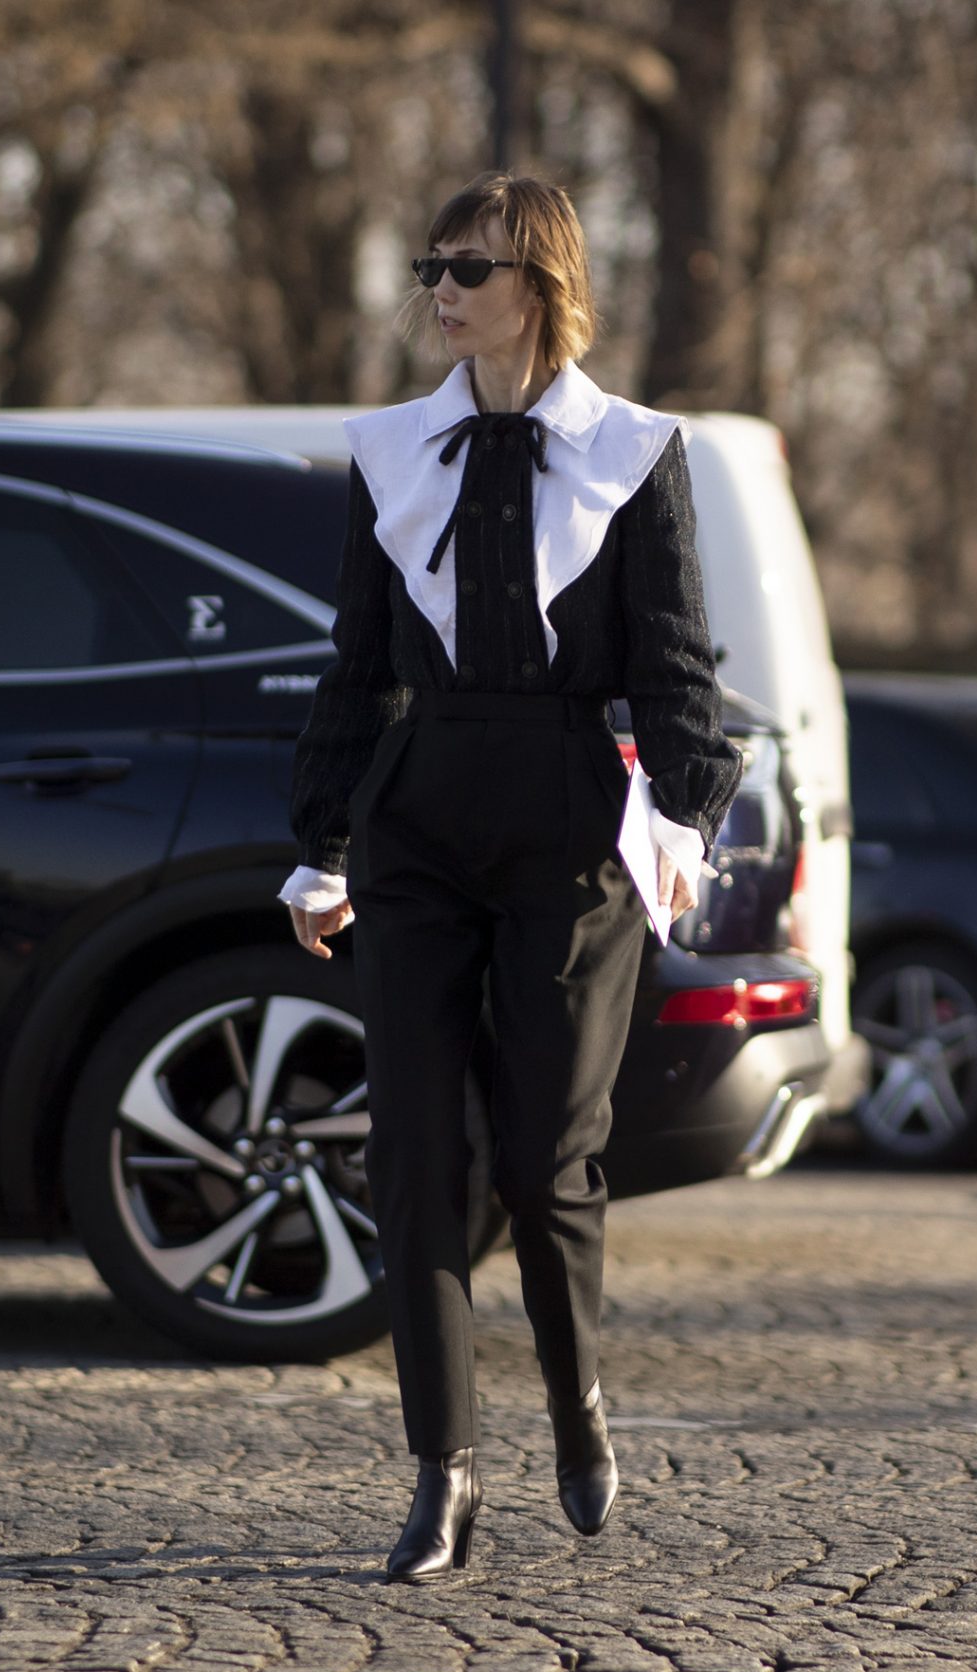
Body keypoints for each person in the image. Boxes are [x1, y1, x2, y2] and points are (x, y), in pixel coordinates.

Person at [276, 170, 742, 1582]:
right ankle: (444, 1476)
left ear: (539, 283)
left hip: (564, 828)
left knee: (546, 1165)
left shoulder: (636, 450)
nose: (439, 291)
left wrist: (687, 814)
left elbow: (673, 666)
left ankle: (580, 1400)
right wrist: (322, 842)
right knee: (415, 1158)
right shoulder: (388, 451)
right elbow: (355, 666)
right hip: (421, 820)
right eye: (430, 266)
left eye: (466, 269)